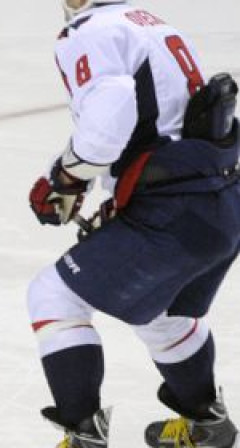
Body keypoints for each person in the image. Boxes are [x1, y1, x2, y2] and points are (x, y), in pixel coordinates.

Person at [27, 0, 240, 447]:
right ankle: (208, 424)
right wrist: (72, 176)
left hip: (172, 209)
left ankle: (82, 436)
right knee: (166, 315)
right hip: (219, 202)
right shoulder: (145, 21)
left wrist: (67, 177)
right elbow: (153, 123)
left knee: (54, 295)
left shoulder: (91, 30)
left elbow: (108, 120)